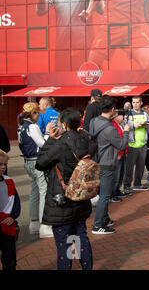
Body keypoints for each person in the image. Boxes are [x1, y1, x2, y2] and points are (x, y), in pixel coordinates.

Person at [35, 109, 96, 270]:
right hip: (81, 196)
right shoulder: (86, 142)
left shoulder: (61, 144)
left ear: (63, 124)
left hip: (61, 198)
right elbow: (92, 143)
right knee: (80, 236)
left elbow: (40, 163)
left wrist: (50, 140)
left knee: (65, 242)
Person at [83, 0, 149, 70]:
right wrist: (88, 12)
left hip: (134, 28)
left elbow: (147, 4)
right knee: (91, 67)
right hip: (110, 27)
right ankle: (102, 83)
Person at [36, 0, 104, 71]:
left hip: (85, 48)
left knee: (88, 84)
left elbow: (101, 10)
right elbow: (40, 11)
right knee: (61, 84)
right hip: (62, 49)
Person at [90, 96, 130, 234]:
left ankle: (104, 218)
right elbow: (121, 144)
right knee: (105, 196)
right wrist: (126, 131)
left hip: (96, 160)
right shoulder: (110, 128)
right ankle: (98, 225)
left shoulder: (94, 121)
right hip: (107, 163)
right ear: (112, 110)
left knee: (102, 194)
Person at [17, 102, 53, 238]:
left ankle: (34, 223)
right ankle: (44, 226)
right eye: (37, 113)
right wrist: (49, 131)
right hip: (37, 161)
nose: (39, 116)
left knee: (34, 191)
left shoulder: (21, 126)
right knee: (44, 191)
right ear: (33, 114)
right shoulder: (32, 126)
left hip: (28, 161)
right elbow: (43, 144)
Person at [123, 96, 149, 192]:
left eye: (137, 102)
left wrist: (147, 125)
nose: (135, 104)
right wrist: (133, 125)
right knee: (129, 168)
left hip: (142, 144)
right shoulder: (128, 113)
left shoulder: (144, 113)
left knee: (140, 167)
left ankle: (137, 184)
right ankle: (127, 186)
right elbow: (124, 125)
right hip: (132, 144)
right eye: (133, 102)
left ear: (141, 103)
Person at [0, 149, 21, 271]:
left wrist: (12, 217)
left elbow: (16, 203)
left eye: (5, 165)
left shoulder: (8, 181)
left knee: (10, 260)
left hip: (8, 226)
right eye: (0, 164)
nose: (3, 167)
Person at [110, 112, 128, 202]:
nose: (123, 117)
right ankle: (113, 193)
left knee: (121, 173)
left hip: (123, 152)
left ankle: (117, 190)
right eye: (122, 116)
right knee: (116, 175)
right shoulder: (113, 125)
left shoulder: (120, 125)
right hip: (118, 153)